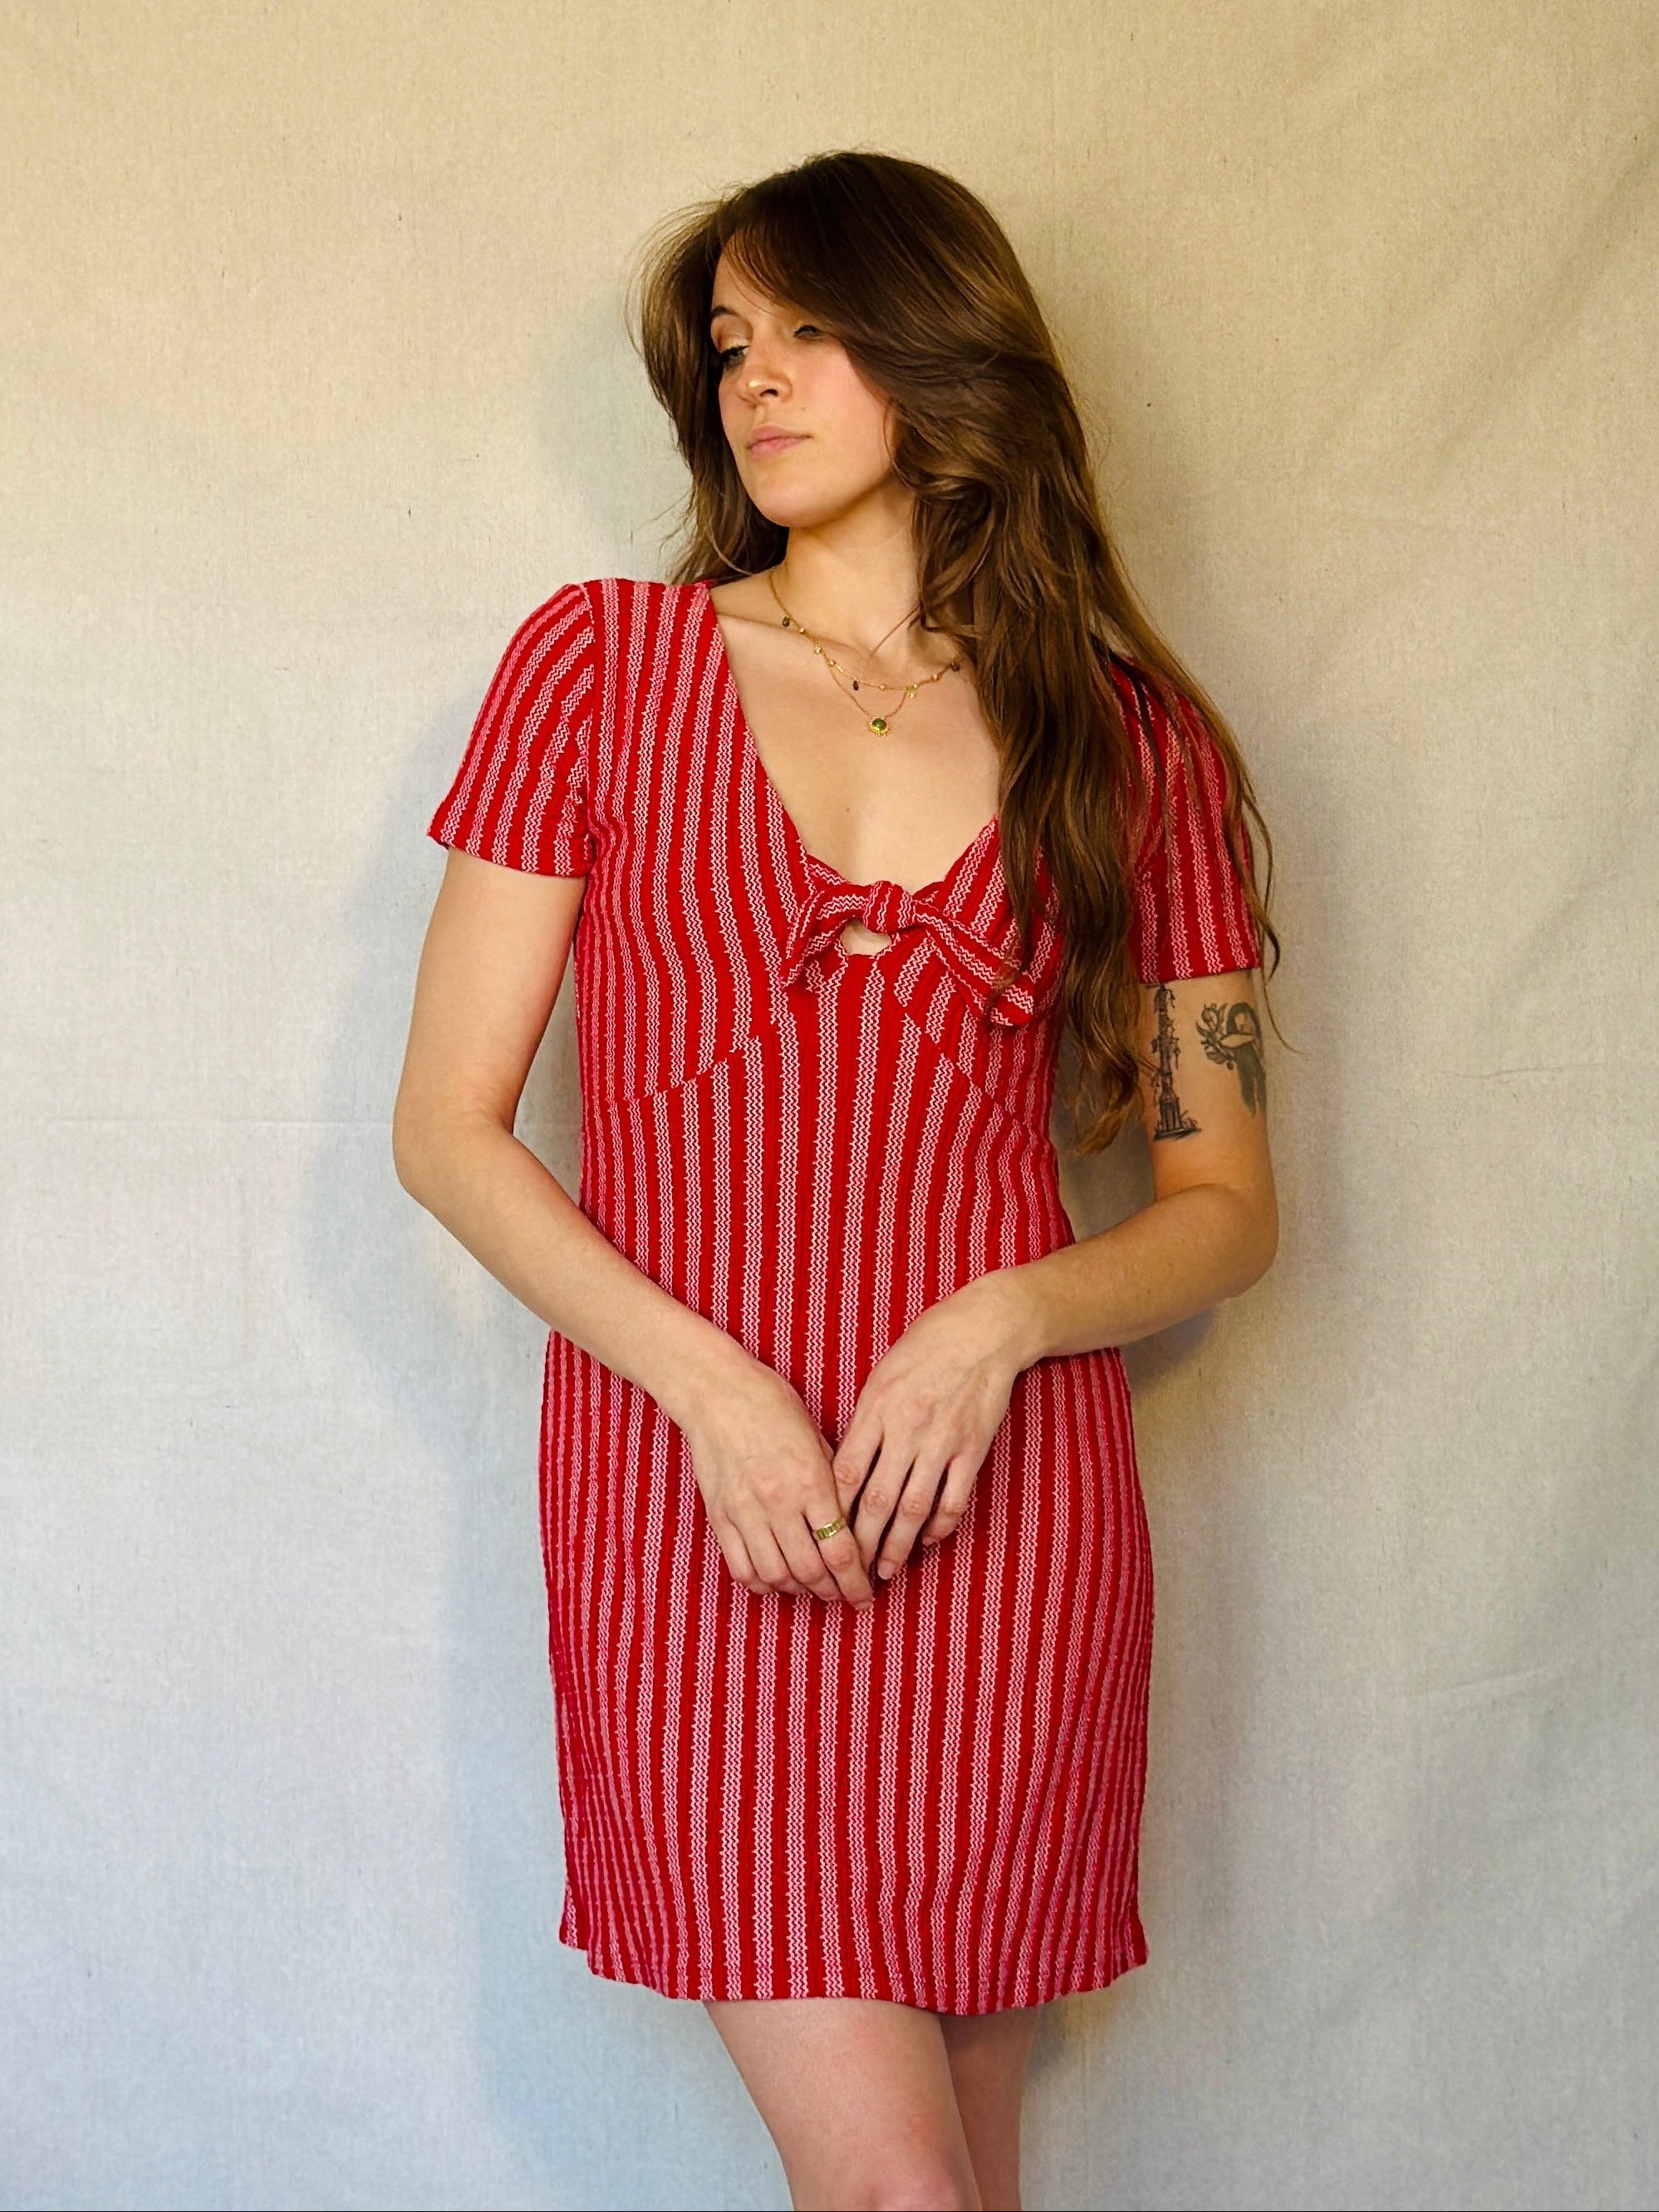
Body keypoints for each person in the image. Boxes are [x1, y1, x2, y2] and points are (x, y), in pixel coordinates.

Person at [394, 149, 1279, 2212]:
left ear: (944, 348)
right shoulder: (601, 668)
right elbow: (448, 1125)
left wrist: (1002, 1319)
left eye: (808, 330)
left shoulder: (1125, 740)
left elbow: (1227, 1198)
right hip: (695, 1504)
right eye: (728, 347)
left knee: (954, 2181)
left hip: (1005, 1510)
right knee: (900, 2190)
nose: (754, 384)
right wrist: (709, 1386)